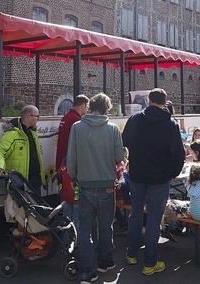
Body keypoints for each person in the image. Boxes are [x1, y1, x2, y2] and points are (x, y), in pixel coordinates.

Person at [122, 88, 185, 276]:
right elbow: (179, 153)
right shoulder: (170, 123)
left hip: (138, 174)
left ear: (148, 100)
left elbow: (125, 141)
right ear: (165, 103)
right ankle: (150, 262)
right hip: (159, 177)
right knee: (154, 218)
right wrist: (173, 172)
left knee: (135, 213)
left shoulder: (135, 119)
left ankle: (131, 253)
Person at [66, 93, 124, 284]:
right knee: (106, 226)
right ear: (107, 108)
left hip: (85, 185)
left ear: (90, 106)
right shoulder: (113, 129)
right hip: (107, 185)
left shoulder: (77, 127)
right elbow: (118, 157)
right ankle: (105, 261)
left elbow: (71, 157)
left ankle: (87, 271)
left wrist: (74, 177)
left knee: (84, 229)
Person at [0, 105, 45, 195]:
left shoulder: (33, 132)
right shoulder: (11, 135)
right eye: (37, 116)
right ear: (28, 117)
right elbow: (0, 152)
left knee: (35, 207)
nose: (38, 119)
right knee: (18, 208)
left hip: (35, 179)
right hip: (19, 182)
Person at [56, 94, 89, 229]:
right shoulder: (76, 121)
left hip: (62, 165)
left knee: (66, 198)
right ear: (82, 106)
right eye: (87, 107)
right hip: (72, 167)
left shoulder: (66, 117)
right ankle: (75, 235)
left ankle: (66, 232)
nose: (87, 110)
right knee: (75, 200)